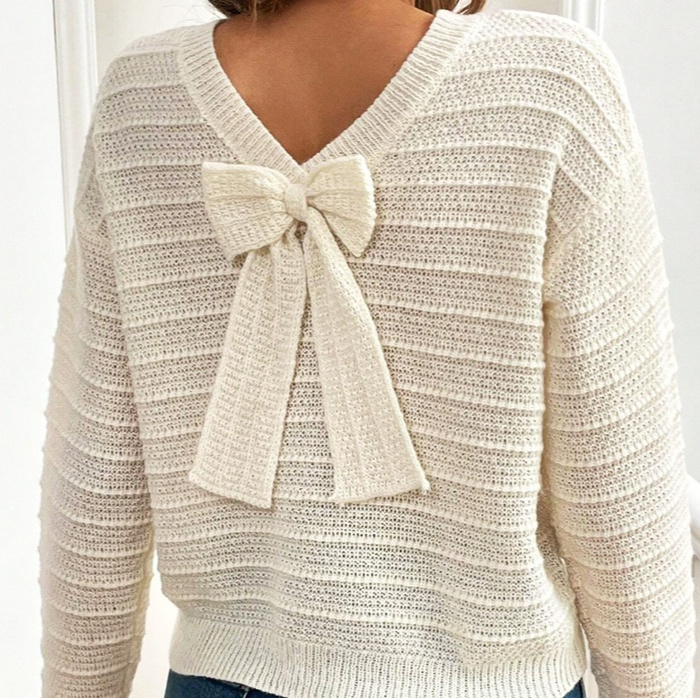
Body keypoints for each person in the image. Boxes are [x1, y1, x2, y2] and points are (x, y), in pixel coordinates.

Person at [37, 0, 696, 696]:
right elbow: (617, 479)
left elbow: (94, 478)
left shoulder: (140, 99)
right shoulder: (551, 82)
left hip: (222, 680)